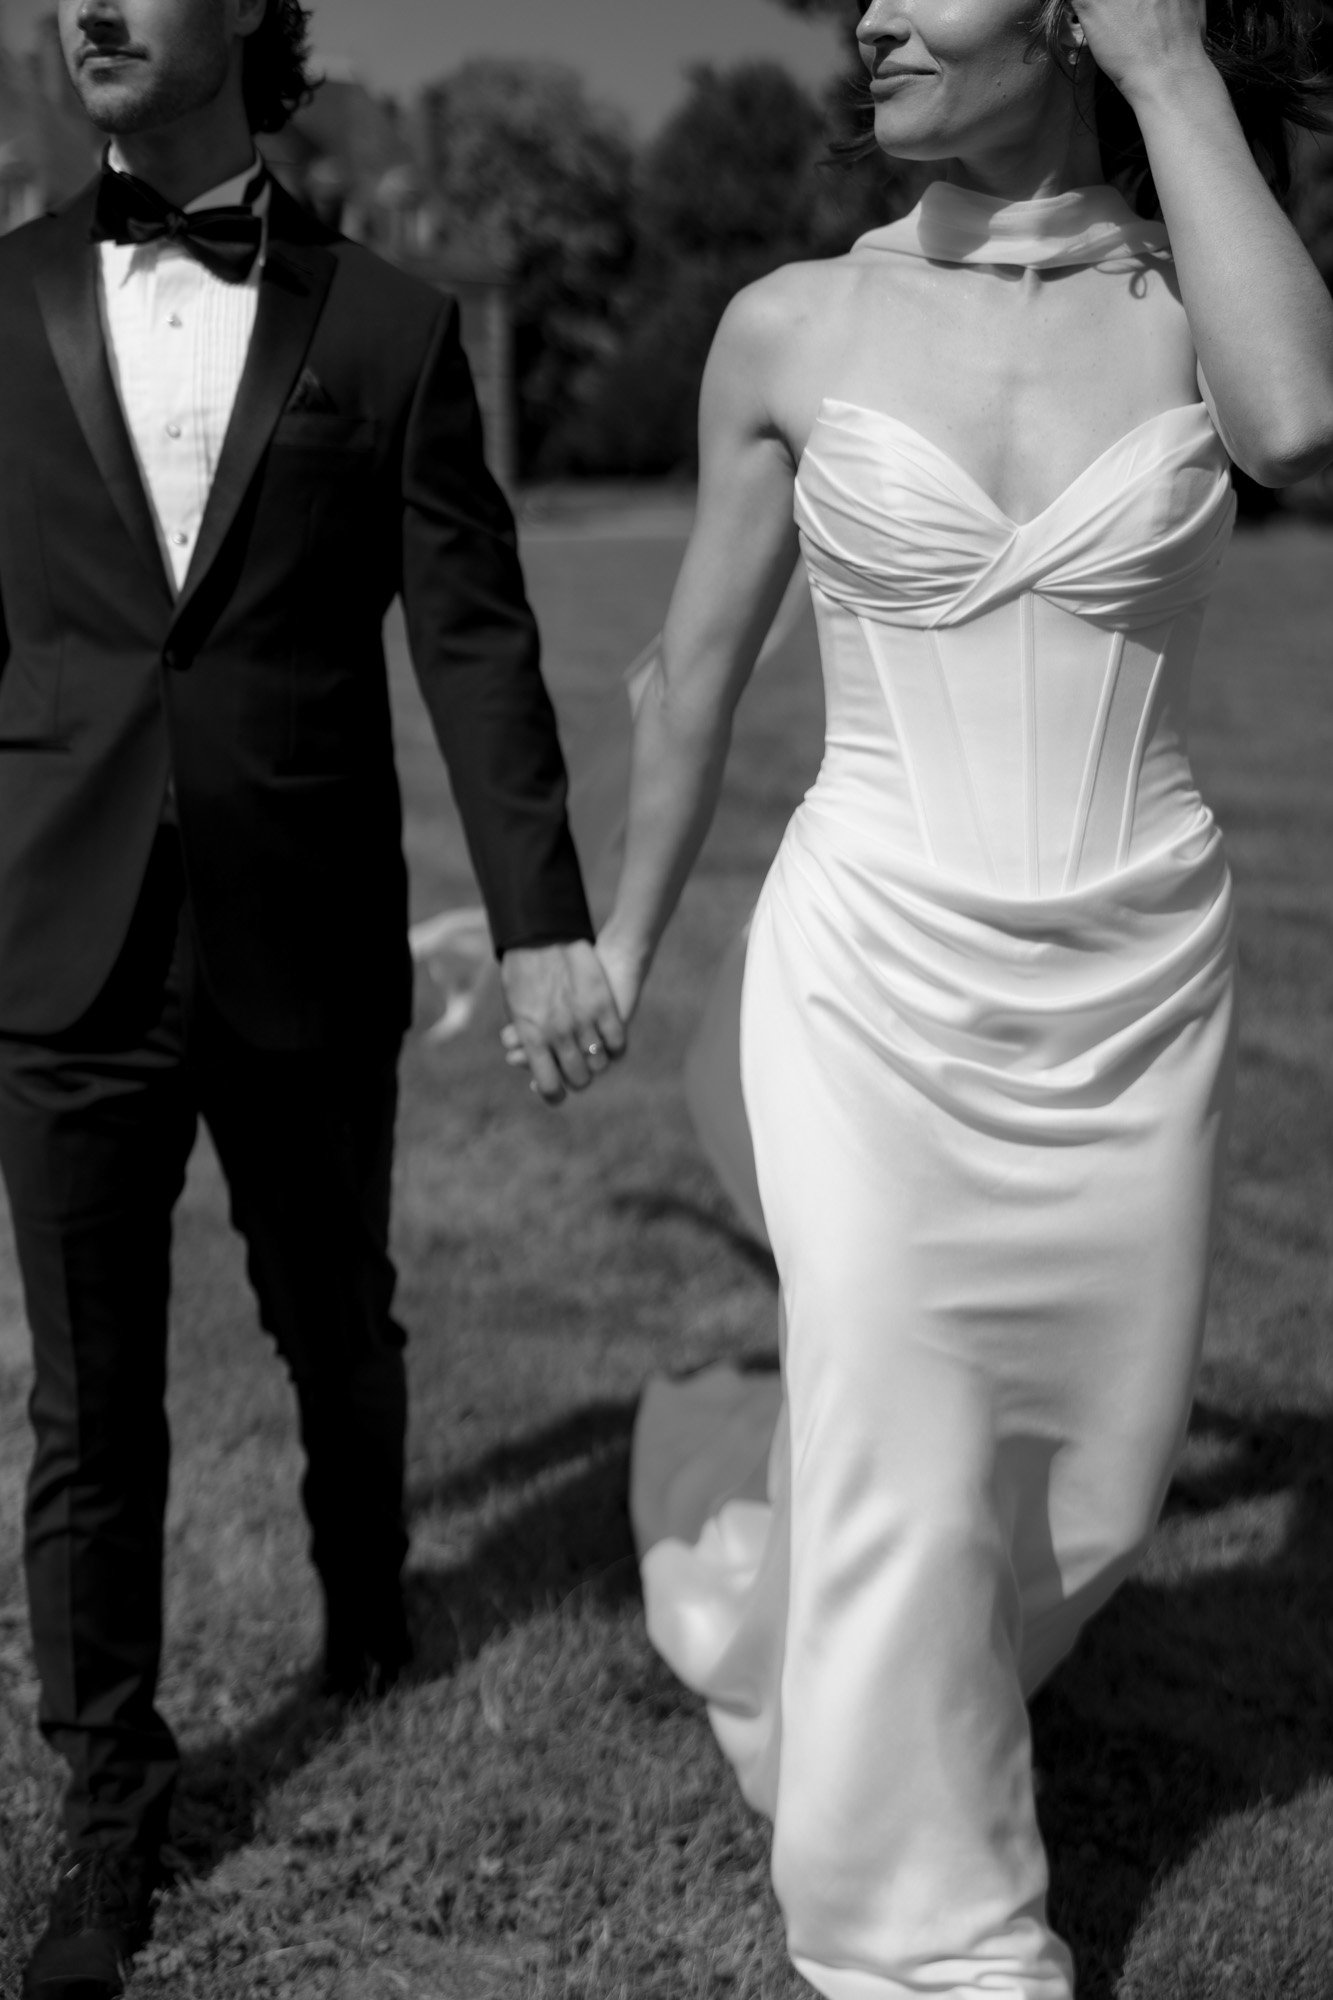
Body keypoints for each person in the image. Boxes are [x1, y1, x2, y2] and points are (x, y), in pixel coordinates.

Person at [593, 0, 1333, 1991]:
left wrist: (1168, 71)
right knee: (909, 1462)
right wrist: (619, 946)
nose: (871, 14)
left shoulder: (1197, 301)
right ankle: (930, 1941)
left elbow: (1295, 426)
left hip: (1134, 980)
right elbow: (692, 677)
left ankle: (833, 1658)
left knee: (1088, 1487)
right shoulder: (789, 326)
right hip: (866, 975)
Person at [0, 1, 624, 1994]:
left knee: (333, 1318)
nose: (88, 6)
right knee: (89, 1399)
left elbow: (474, 642)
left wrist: (539, 916)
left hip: (306, 931)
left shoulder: (390, 329)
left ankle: (368, 1594)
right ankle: (111, 1806)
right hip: (61, 932)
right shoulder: (1, 303)